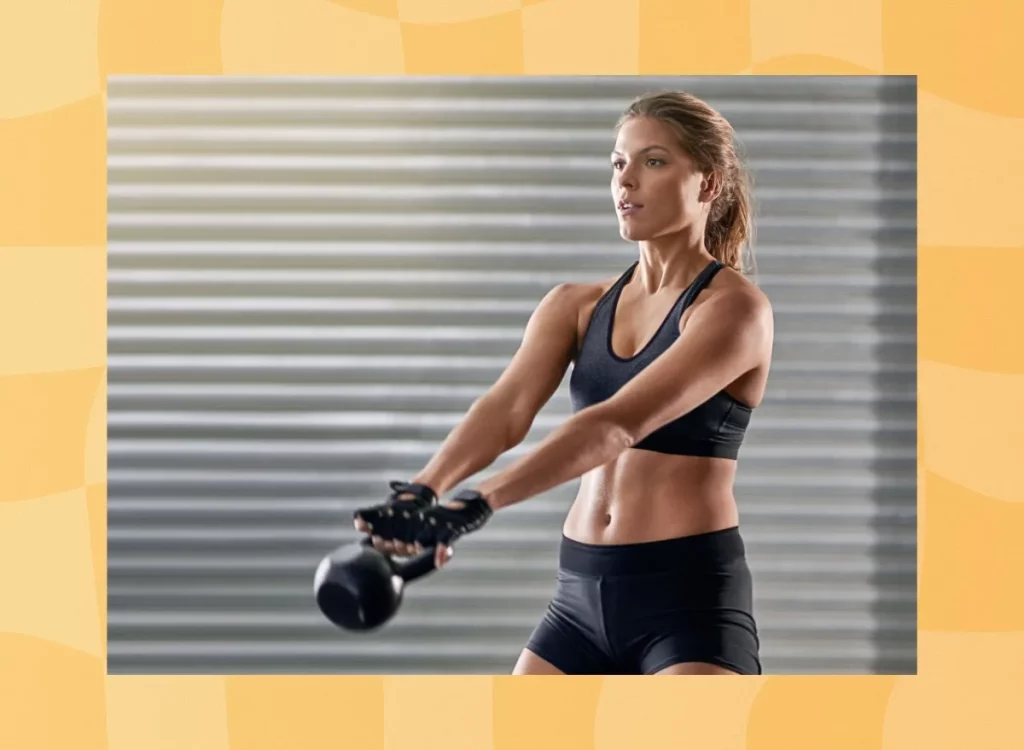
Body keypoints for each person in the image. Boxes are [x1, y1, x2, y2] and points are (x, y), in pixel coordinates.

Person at [353, 90, 774, 676]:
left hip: (687, 599)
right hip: (578, 596)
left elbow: (617, 423)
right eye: (618, 163)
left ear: (708, 184)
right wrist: (423, 492)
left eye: (653, 162)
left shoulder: (733, 311)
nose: (626, 181)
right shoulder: (576, 305)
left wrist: (478, 503)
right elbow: (506, 410)